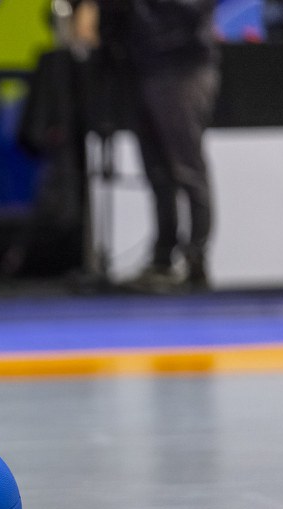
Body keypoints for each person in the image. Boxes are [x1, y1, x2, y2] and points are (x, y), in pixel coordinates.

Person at [76, 0, 220, 292]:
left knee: (186, 167)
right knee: (156, 170)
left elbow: (191, 9)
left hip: (182, 66)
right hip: (139, 67)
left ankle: (195, 261)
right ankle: (162, 259)